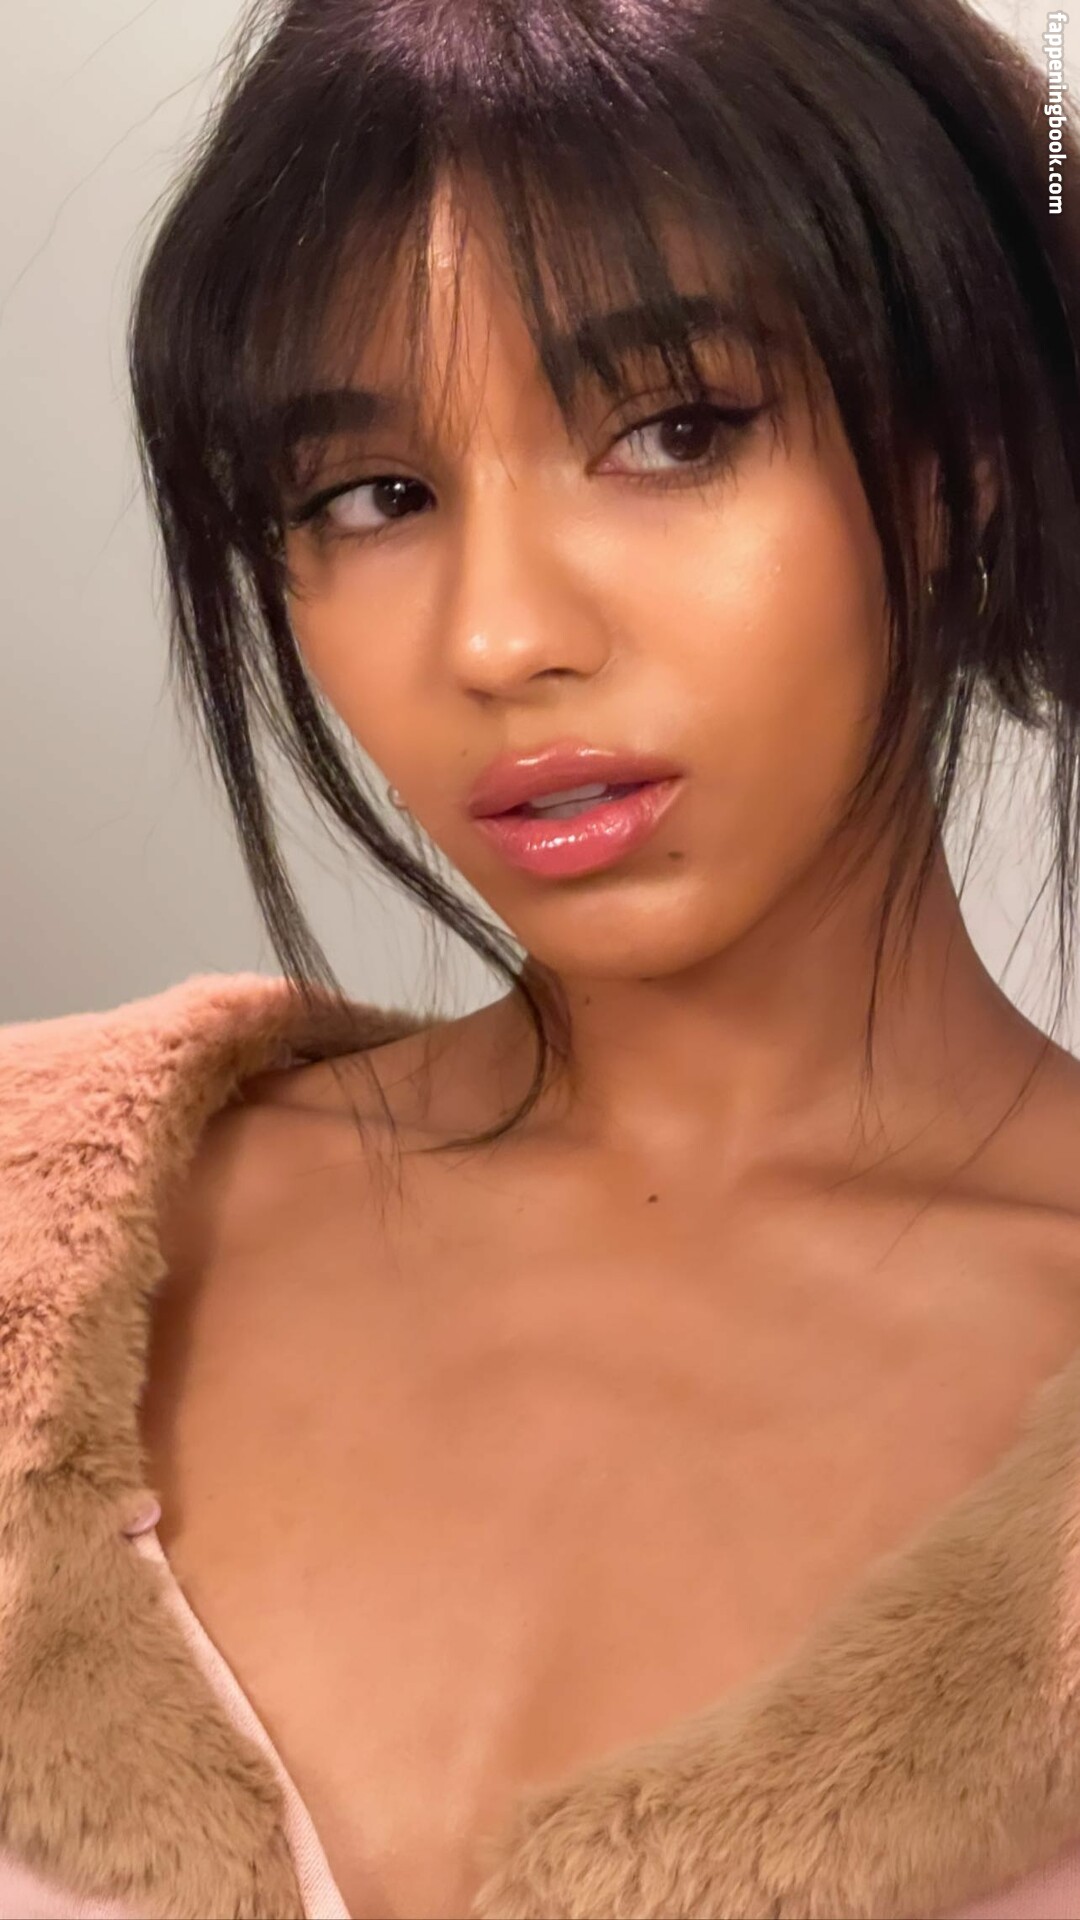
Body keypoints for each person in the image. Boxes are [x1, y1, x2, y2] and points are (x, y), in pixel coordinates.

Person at [2, 0, 1080, 1914]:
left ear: (963, 456)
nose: (499, 638)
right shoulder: (31, 1238)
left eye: (674, 432)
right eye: (373, 495)